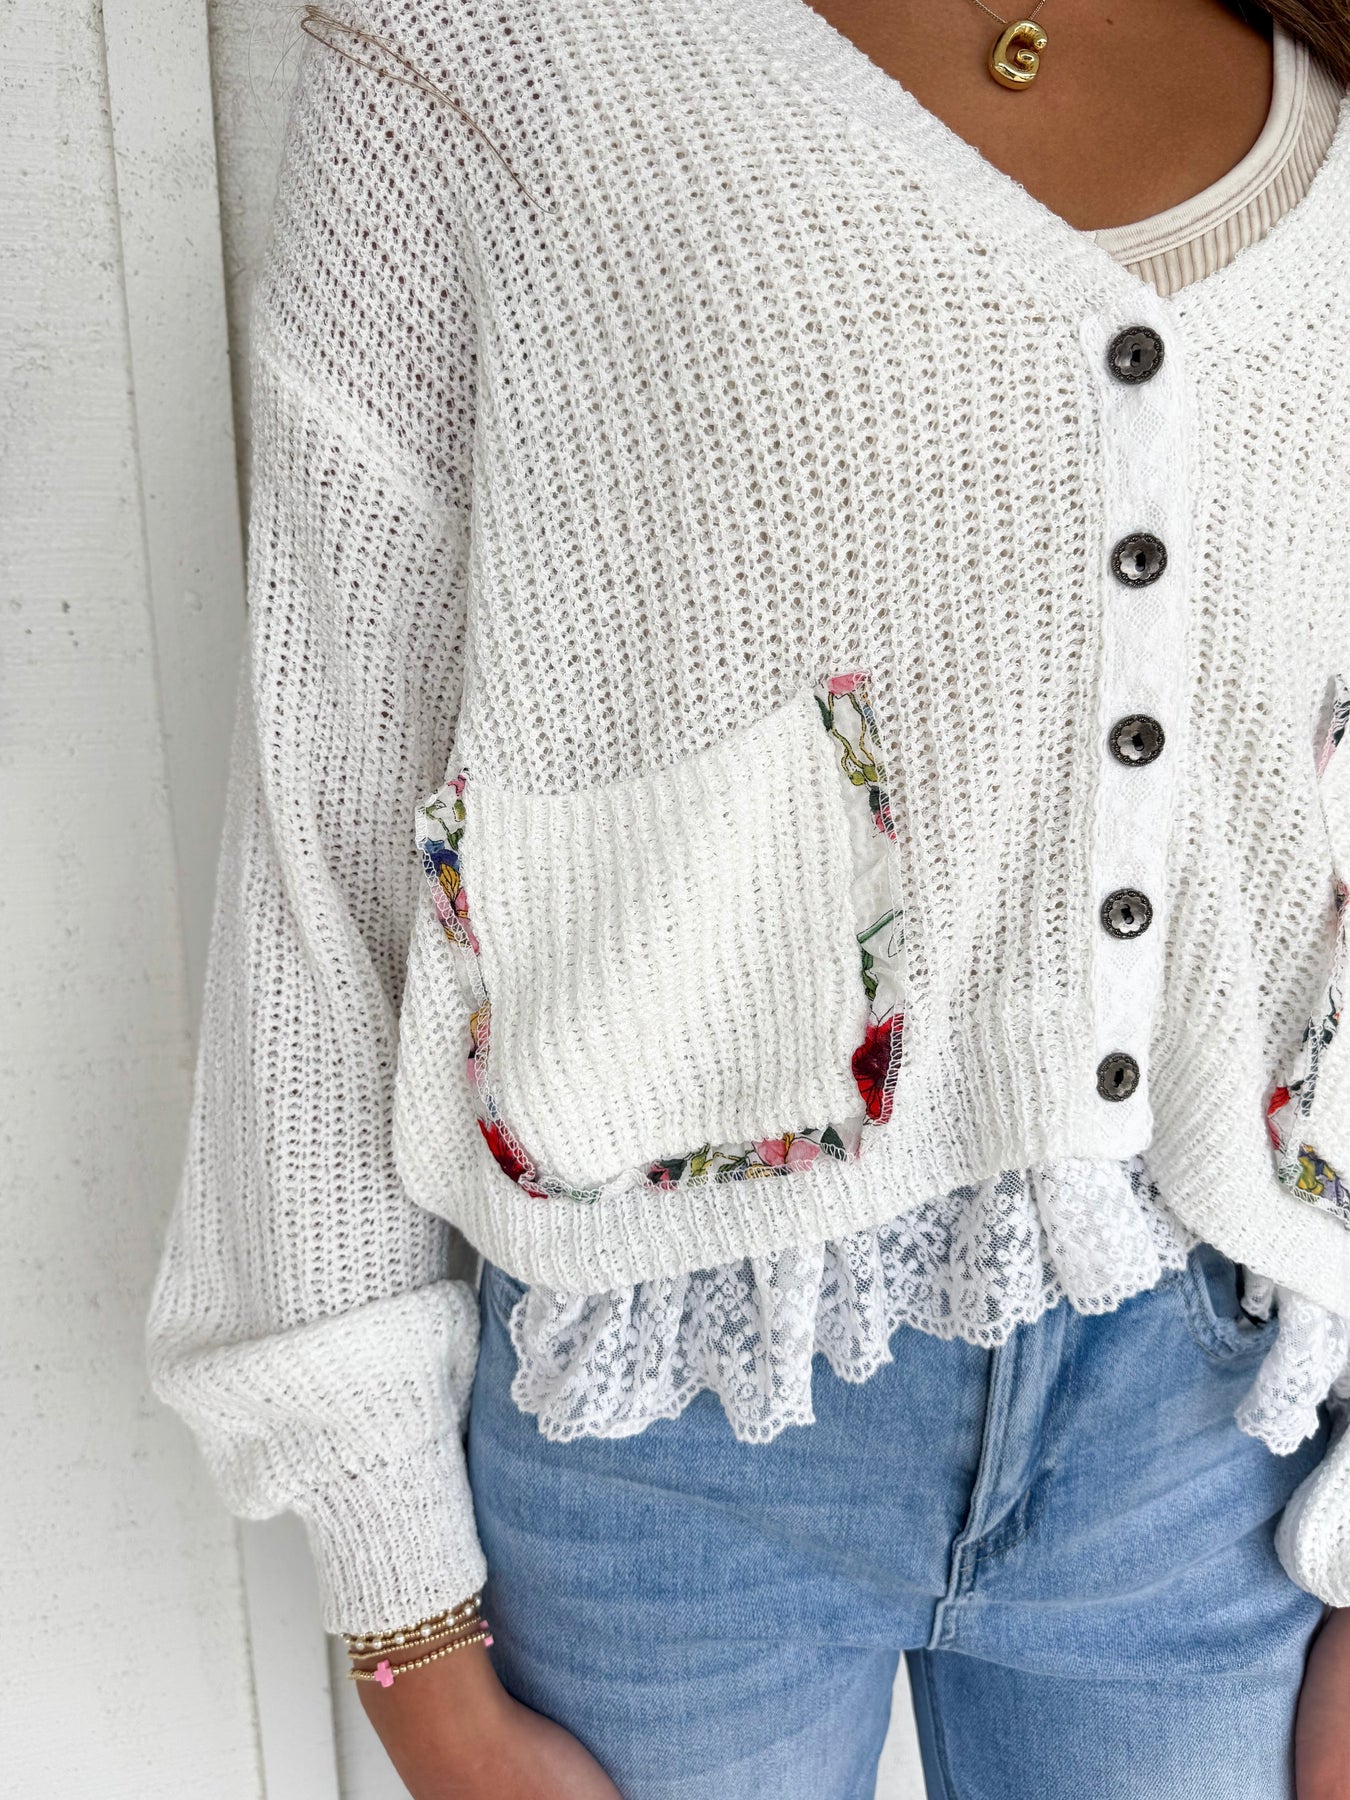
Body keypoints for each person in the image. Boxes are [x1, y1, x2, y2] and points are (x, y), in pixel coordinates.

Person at [147, 0, 1350, 1793]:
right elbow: (328, 806)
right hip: (662, 1424)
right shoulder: (481, 51)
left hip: (1222, 1444)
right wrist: (404, 1621)